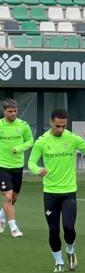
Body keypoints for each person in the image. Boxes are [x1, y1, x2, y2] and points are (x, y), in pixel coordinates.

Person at [27, 109, 85, 272]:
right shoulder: (42, 141)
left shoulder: (72, 138)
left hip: (68, 192)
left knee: (68, 228)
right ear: (51, 122)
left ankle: (70, 250)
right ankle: (58, 261)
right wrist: (37, 170)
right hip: (50, 193)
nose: (60, 129)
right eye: (57, 126)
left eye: (64, 126)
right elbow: (31, 162)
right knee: (53, 230)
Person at [0, 98, 34, 238]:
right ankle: (14, 229)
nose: (13, 113)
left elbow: (30, 141)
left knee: (14, 198)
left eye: (15, 111)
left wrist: (19, 148)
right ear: (4, 111)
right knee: (8, 196)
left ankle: (1, 216)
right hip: (2, 166)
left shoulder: (23, 125)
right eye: (10, 111)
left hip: (17, 166)